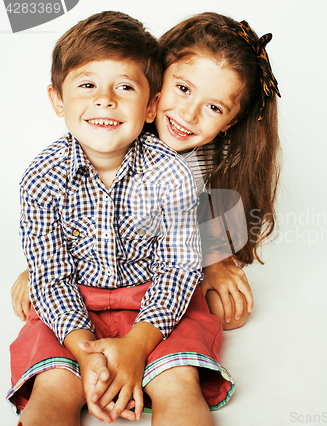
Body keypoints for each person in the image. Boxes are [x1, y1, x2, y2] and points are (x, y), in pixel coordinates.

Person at [7, 11, 220, 426]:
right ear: (57, 99)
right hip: (72, 303)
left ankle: (165, 375)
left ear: (150, 106)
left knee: (178, 381)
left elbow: (178, 268)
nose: (104, 99)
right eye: (87, 85)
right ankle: (67, 377)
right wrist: (86, 351)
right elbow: (49, 275)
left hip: (156, 303)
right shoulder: (40, 177)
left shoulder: (170, 174)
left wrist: (139, 344)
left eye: (124, 87)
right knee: (54, 385)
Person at [11, 11, 281, 330]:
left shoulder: (217, 156)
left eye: (214, 107)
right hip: (95, 257)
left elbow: (218, 213)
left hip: (169, 258)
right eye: (182, 89)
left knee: (228, 312)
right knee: (44, 300)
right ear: (157, 77)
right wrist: (39, 269)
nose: (188, 114)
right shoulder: (115, 132)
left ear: (230, 122)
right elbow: (67, 210)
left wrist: (217, 261)